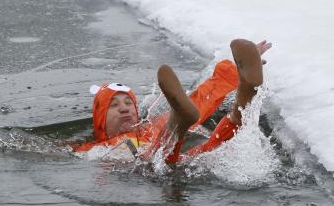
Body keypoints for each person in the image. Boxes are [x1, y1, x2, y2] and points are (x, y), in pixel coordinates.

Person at [71, 39, 272, 165]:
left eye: (127, 103)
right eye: (113, 106)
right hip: (151, 170)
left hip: (168, 167)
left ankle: (244, 95)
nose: (123, 108)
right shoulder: (93, 149)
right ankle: (187, 122)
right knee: (190, 152)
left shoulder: (150, 127)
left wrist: (231, 72)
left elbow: (201, 100)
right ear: (99, 120)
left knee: (208, 148)